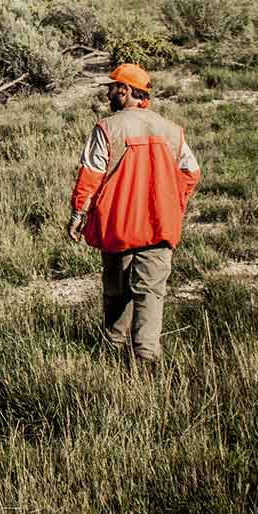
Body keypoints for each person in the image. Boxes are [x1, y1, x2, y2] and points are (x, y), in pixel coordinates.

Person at [65, 64, 201, 363]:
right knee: (150, 291)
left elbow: (90, 176)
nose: (108, 92)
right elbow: (191, 173)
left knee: (117, 290)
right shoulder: (171, 129)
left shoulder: (108, 127)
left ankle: (112, 350)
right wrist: (172, 203)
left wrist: (78, 215)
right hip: (160, 223)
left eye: (112, 87)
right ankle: (146, 357)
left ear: (125, 91)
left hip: (119, 224)